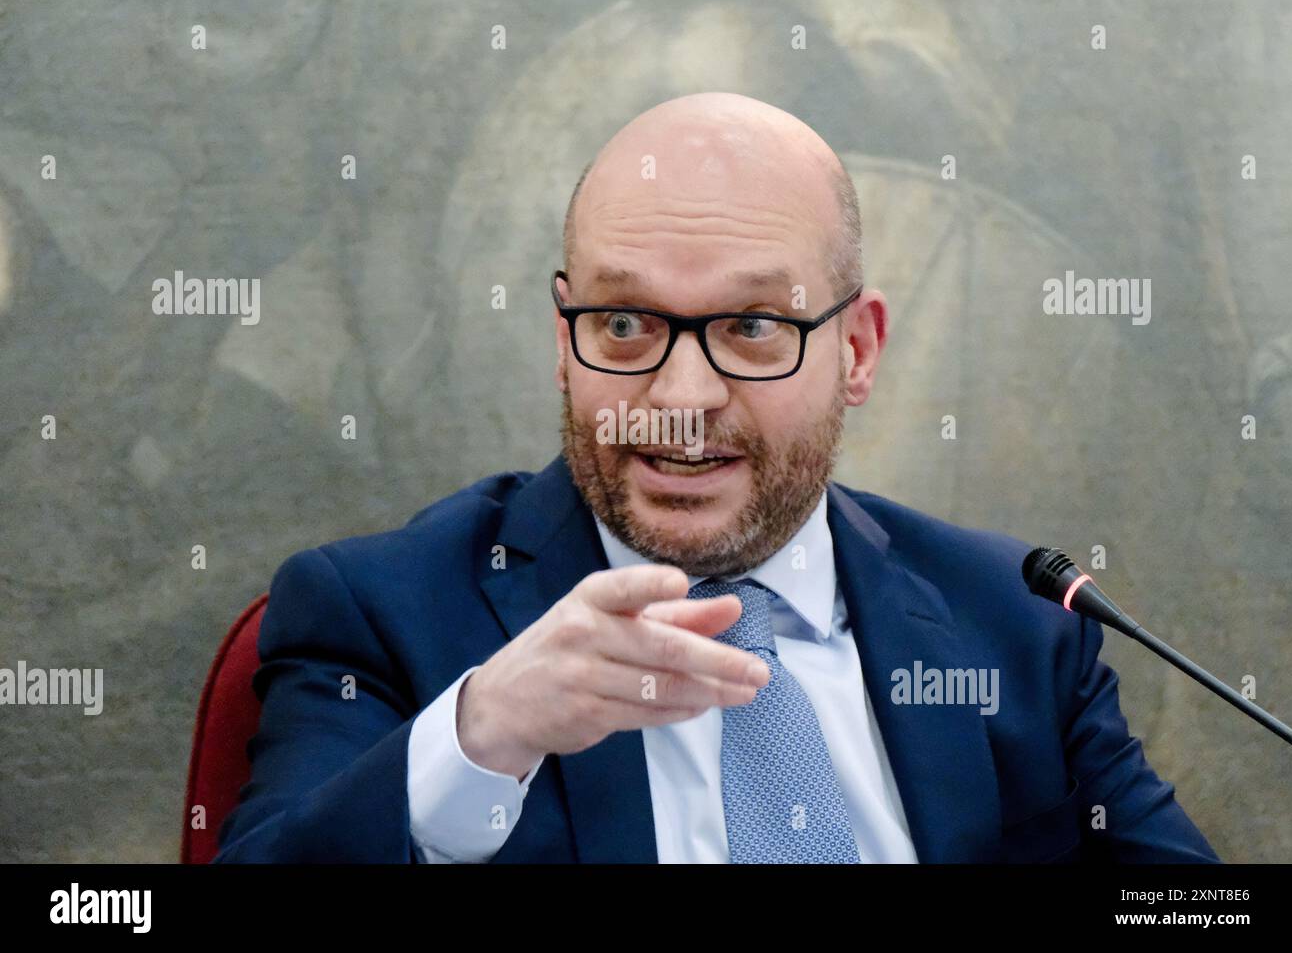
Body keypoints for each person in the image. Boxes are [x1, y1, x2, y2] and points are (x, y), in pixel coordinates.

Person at [214, 92, 1218, 863]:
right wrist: (486, 731)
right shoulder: (379, 613)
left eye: (750, 327)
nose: (679, 394)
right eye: (623, 323)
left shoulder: (1019, 620)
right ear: (562, 340)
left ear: (857, 350)